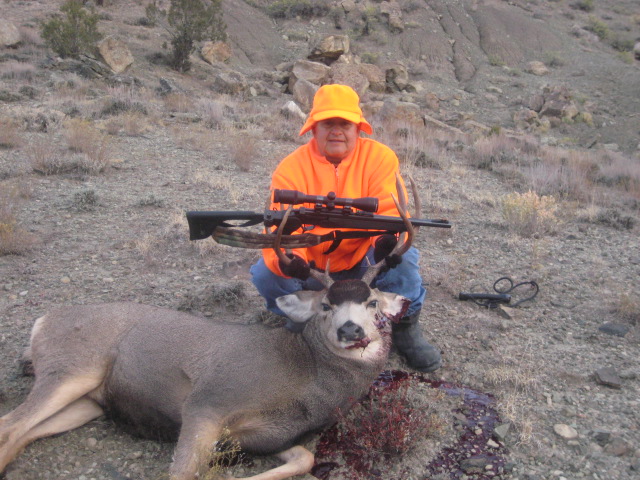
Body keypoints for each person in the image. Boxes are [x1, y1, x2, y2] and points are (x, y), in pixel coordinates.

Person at [250, 84, 441, 373]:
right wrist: (292, 263)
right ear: (314, 129)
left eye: (345, 124)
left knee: (405, 260)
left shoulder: (380, 159)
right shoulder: (291, 169)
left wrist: (385, 244)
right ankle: (306, 324)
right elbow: (279, 228)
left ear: (358, 129)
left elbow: (391, 213)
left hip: (364, 266)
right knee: (267, 274)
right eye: (328, 123)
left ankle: (404, 328)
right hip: (314, 270)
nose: (336, 131)